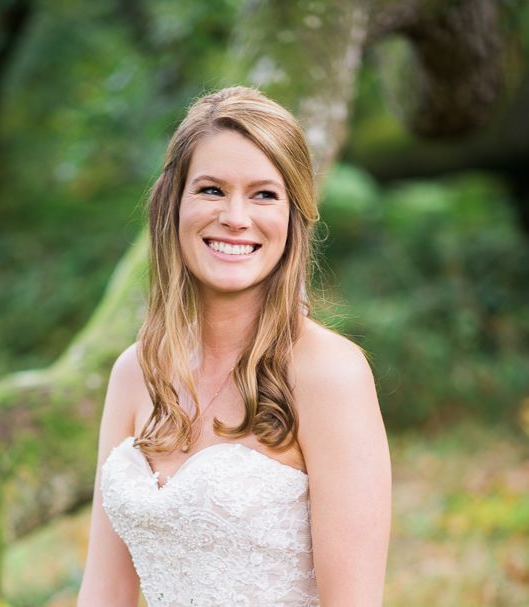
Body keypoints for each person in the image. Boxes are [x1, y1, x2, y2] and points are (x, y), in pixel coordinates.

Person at [76, 86, 391, 607]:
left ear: (293, 217)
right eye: (212, 190)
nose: (236, 217)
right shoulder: (135, 372)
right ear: (172, 204)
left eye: (264, 194)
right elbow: (103, 593)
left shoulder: (330, 374)